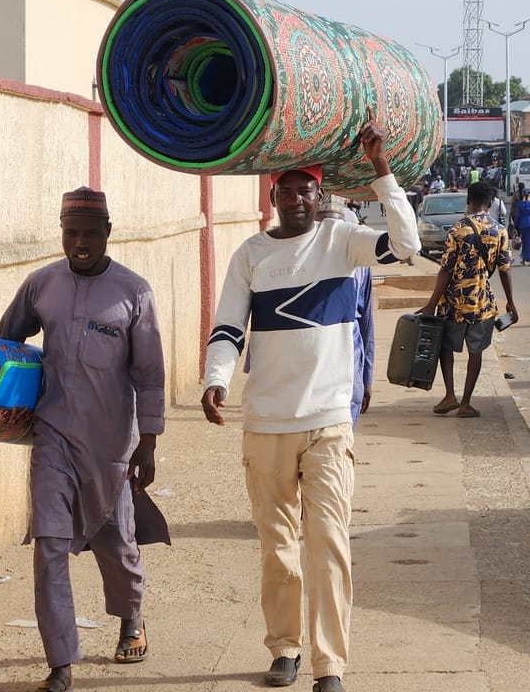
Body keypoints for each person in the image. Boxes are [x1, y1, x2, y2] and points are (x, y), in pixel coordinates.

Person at [201, 113, 419, 692]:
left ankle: (330, 665)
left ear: (320, 194)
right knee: (278, 548)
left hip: (327, 423)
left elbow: (407, 244)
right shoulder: (249, 254)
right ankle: (285, 648)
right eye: (286, 189)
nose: (296, 198)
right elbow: (227, 325)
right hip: (267, 423)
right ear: (272, 196)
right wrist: (214, 379)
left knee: (328, 543)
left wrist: (381, 170)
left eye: (306, 189)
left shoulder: (341, 241)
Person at [0, 187, 165, 692]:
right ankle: (60, 662)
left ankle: (130, 618)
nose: (80, 243)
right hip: (52, 437)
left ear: (107, 235)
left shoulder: (133, 293)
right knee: (49, 545)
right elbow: (5, 348)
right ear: (61, 232)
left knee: (116, 543)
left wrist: (149, 442)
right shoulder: (41, 285)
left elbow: (149, 372)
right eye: (71, 232)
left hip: (111, 445)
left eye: (90, 234)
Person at [417, 181, 517, 419]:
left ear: (468, 201)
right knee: (476, 351)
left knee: (445, 347)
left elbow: (446, 271)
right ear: (491, 203)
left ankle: (449, 394)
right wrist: (510, 303)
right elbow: (505, 270)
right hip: (482, 303)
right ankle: (465, 403)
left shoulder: (457, 229)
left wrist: (432, 303)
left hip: (453, 302)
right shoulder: (499, 230)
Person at [315, 200, 375, 428]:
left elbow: (367, 321)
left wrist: (367, 376)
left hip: (349, 368)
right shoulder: (295, 264)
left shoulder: (360, 266)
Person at [514, 187, 530, 266]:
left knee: (526, 242)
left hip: (523, 224)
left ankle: (525, 258)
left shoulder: (520, 204)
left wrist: (515, 226)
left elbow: (517, 216)